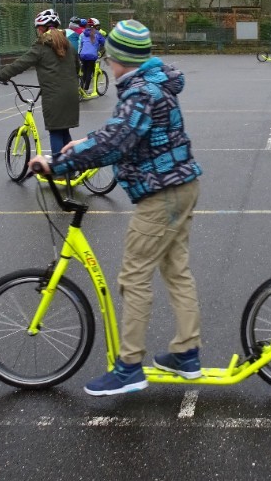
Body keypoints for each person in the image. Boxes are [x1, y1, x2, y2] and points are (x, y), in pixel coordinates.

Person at [30, 20, 203, 397]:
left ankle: (129, 367)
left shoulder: (140, 92)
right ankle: (187, 353)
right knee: (176, 270)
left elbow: (117, 143)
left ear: (120, 58)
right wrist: (84, 142)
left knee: (133, 275)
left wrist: (57, 165)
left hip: (161, 192)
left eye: (110, 57)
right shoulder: (153, 82)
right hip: (182, 184)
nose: (107, 62)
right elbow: (124, 131)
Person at [0, 9, 80, 156]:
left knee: (55, 131)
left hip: (54, 95)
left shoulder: (41, 46)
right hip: (72, 94)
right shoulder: (68, 45)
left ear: (41, 28)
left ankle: (58, 166)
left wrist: (1, 75)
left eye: (38, 28)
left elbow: (21, 63)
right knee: (64, 130)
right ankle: (71, 164)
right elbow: (77, 67)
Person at [78, 18, 106, 92]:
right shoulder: (97, 34)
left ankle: (81, 89)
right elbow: (104, 42)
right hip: (92, 55)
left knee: (84, 72)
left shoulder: (83, 34)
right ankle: (86, 89)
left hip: (83, 54)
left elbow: (81, 44)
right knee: (89, 72)